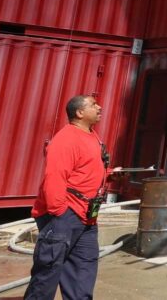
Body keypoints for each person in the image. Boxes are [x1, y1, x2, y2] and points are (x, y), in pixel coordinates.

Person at [26, 94, 116, 300]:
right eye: (94, 105)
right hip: (64, 216)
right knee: (47, 273)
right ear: (79, 113)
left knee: (83, 271)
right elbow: (54, 178)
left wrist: (110, 174)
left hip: (86, 218)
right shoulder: (66, 140)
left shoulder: (92, 136)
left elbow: (85, 170)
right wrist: (59, 213)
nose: (100, 107)